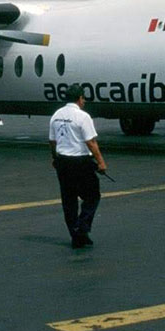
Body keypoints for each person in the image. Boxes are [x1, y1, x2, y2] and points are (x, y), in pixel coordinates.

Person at [49, 84, 108, 248]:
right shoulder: (83, 116)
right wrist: (101, 162)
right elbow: (91, 142)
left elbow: (52, 141)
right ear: (79, 98)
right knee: (92, 196)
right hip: (80, 162)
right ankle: (82, 227)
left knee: (69, 200)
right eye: (83, 98)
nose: (84, 101)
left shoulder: (56, 115)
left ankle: (76, 235)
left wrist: (55, 158)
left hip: (63, 161)